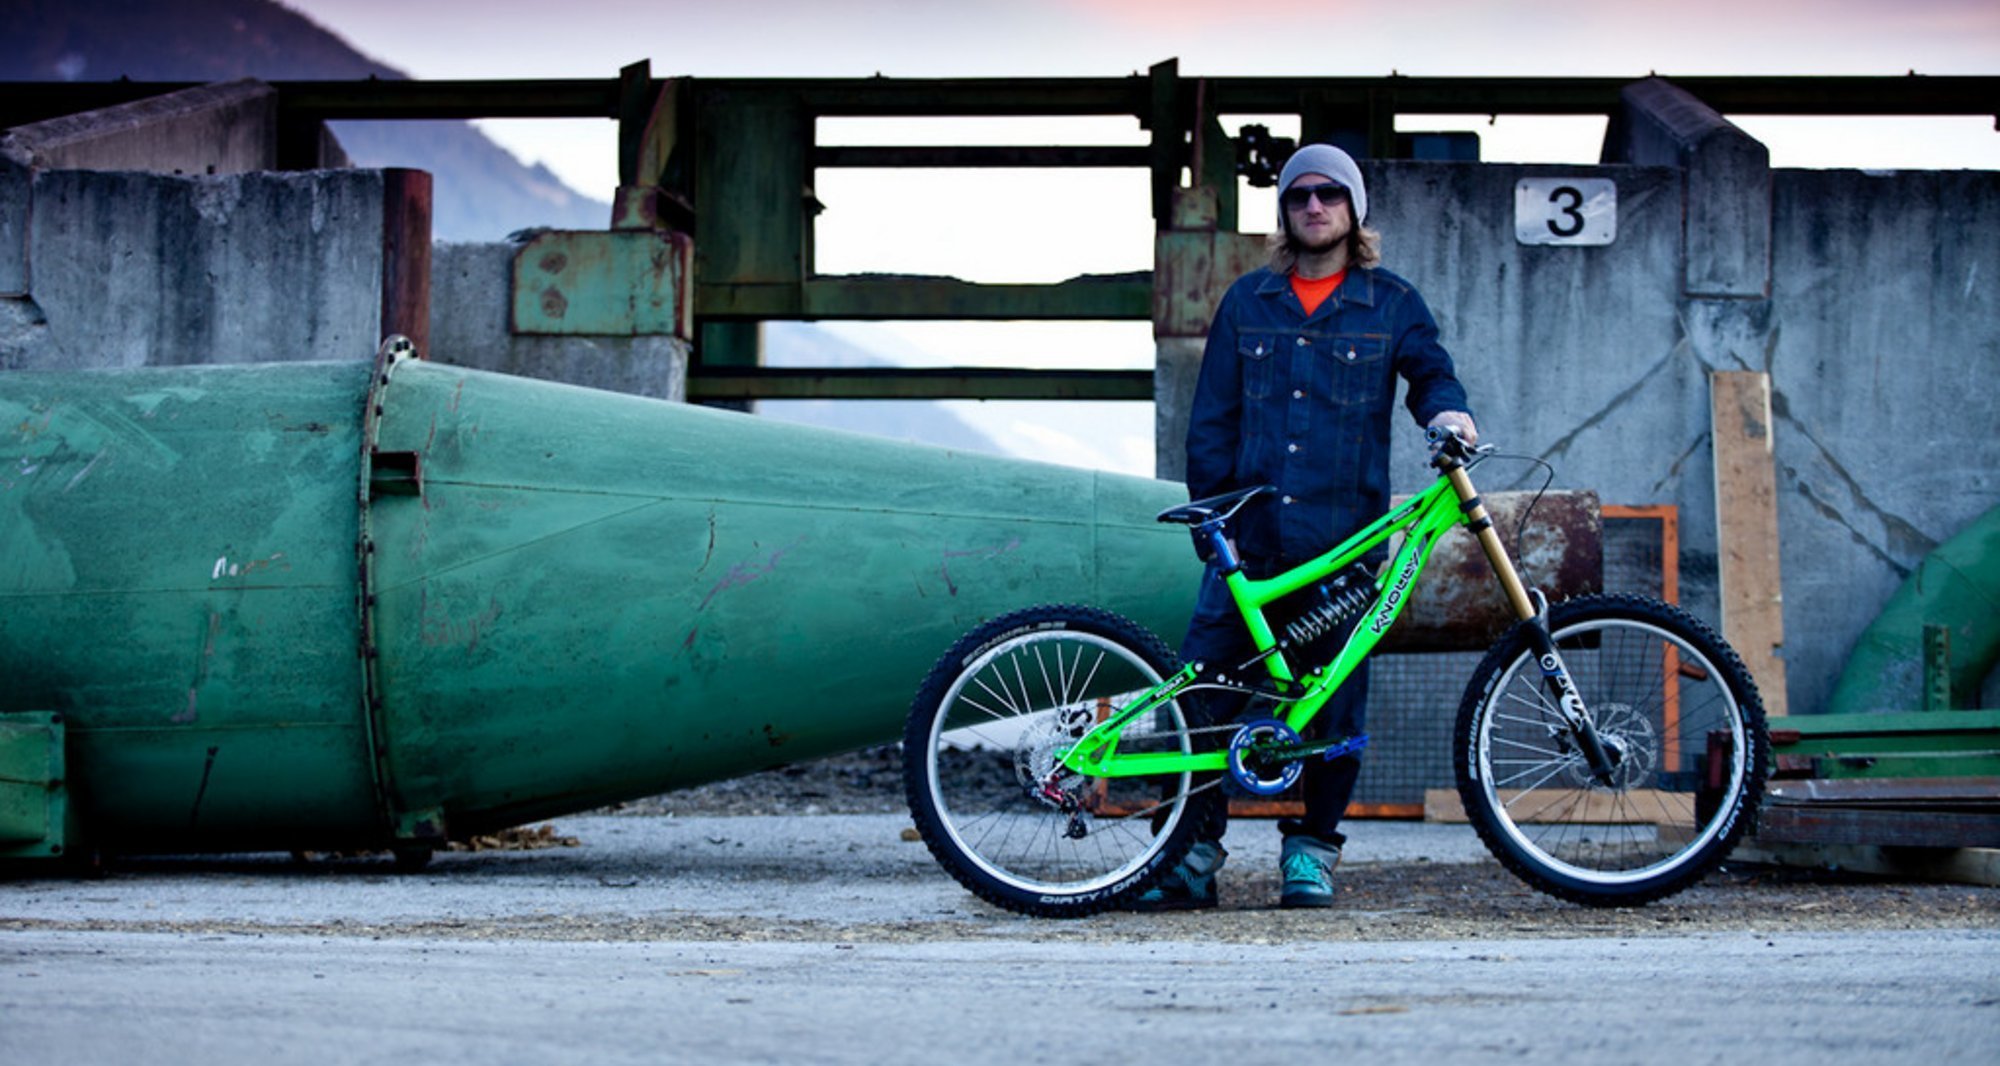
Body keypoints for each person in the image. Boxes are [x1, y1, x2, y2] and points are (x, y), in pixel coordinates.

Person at [1134, 143, 1477, 910]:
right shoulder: (1248, 302)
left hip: (1342, 550)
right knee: (1199, 705)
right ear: (1285, 212)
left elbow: (1431, 373)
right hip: (1248, 546)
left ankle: (1311, 855)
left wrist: (1449, 413)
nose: (1314, 206)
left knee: (1333, 708)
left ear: (1355, 211)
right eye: (1299, 196)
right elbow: (1212, 422)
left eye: (1330, 195)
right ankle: (1191, 860)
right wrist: (1211, 536)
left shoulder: (1392, 304)